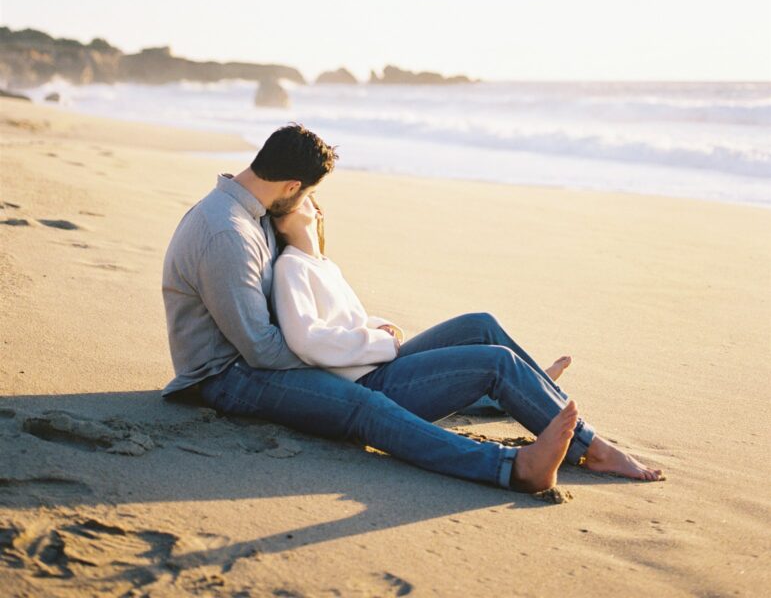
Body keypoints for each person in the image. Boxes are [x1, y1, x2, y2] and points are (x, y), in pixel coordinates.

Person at [161, 123, 663, 493]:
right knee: (371, 406)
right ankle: (518, 468)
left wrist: (368, 341)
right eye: (308, 195)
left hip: (304, 354)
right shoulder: (228, 233)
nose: (308, 205)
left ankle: (536, 404)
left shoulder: (253, 212)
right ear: (292, 186)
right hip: (230, 376)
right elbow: (261, 349)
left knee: (480, 327)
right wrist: (367, 353)